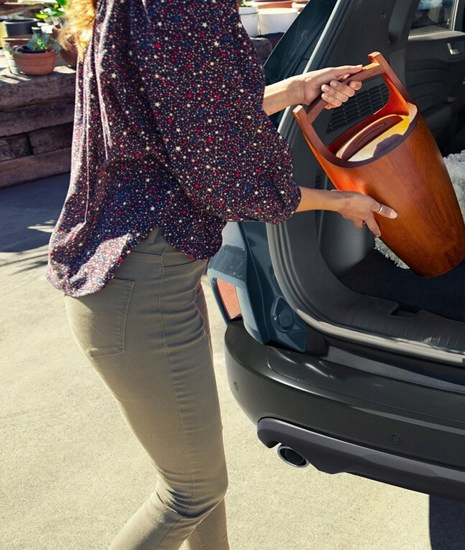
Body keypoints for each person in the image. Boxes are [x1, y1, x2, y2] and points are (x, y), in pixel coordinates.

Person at [46, 1, 396, 548]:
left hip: (141, 276)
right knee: (190, 493)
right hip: (142, 284)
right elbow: (225, 173)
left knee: (200, 487)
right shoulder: (184, 7)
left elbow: (191, 123)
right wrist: (335, 201)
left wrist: (293, 89)